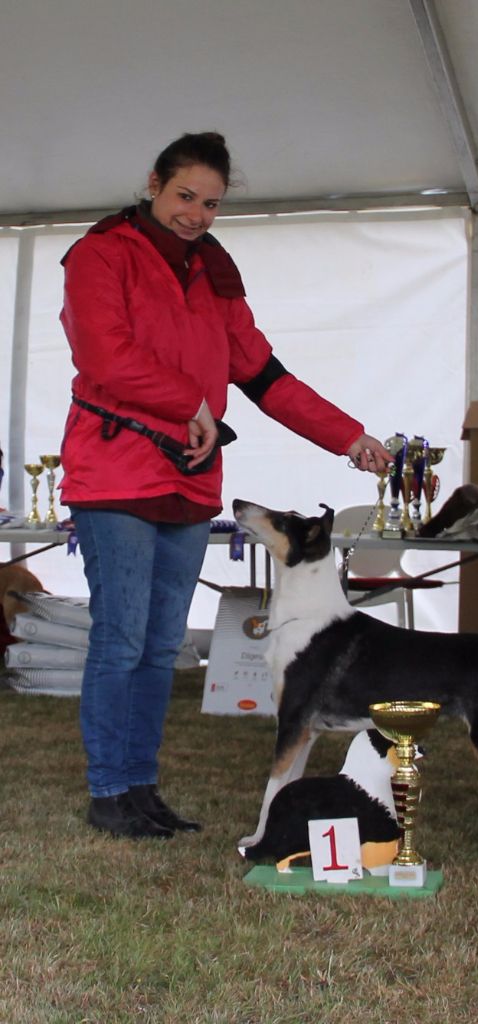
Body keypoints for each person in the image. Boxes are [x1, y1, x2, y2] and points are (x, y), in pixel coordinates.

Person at [59, 131, 392, 840]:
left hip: (184, 479)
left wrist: (347, 435)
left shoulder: (214, 271)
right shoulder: (100, 254)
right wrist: (189, 402)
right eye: (185, 196)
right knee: (120, 639)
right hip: (115, 472)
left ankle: (141, 788)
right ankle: (108, 790)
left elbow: (265, 375)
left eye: (210, 203)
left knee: (160, 645)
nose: (196, 214)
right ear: (153, 182)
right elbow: (103, 355)